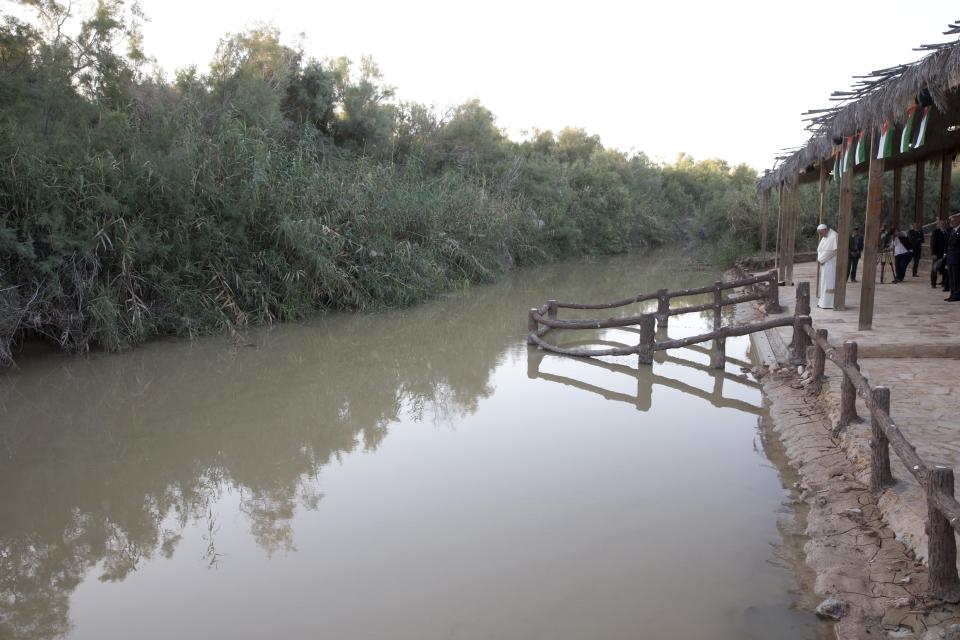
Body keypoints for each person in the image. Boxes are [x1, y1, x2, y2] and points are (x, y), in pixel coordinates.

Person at [816, 223, 838, 308]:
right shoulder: (826, 236)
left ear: (825, 230)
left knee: (829, 283)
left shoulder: (833, 237)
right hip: (825, 264)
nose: (820, 235)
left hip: (830, 264)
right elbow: (820, 249)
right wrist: (820, 259)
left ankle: (829, 303)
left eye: (821, 233)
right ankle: (823, 302)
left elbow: (831, 252)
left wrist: (821, 260)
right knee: (824, 283)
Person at [932, 218, 949, 289]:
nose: (943, 225)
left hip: (945, 254)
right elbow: (933, 243)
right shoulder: (936, 232)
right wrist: (933, 253)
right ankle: (933, 283)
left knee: (945, 269)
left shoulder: (948, 232)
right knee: (935, 268)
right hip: (937, 254)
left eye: (944, 224)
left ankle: (944, 283)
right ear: (939, 224)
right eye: (942, 224)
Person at [946, 213, 960, 302]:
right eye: (951, 221)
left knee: (956, 278)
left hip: (957, 258)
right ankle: (952, 294)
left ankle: (957, 295)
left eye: (953, 221)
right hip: (951, 257)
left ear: (958, 221)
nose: (951, 222)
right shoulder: (952, 231)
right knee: (951, 277)